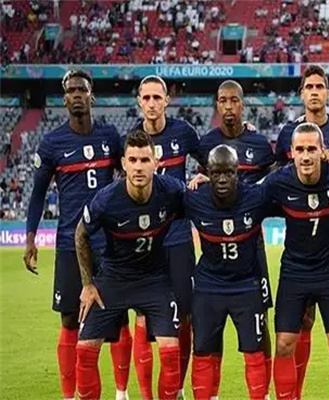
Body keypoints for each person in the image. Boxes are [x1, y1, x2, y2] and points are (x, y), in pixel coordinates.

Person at [24, 70, 132, 400]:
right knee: (70, 319)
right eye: (71, 90)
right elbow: (38, 194)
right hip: (70, 243)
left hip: (109, 243)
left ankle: (122, 393)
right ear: (64, 99)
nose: (76, 95)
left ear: (91, 96)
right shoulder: (52, 143)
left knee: (119, 319)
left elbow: (132, 170)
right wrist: (30, 238)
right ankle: (69, 396)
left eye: (81, 90)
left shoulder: (110, 136)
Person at [75, 129, 184, 400]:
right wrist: (88, 284)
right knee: (85, 351)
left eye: (145, 160)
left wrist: (200, 183)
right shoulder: (106, 199)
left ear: (156, 162)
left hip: (155, 280)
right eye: (133, 160)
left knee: (171, 352)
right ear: (123, 163)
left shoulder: (172, 191)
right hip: (114, 278)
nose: (138, 167)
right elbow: (81, 234)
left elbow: (202, 205)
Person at [275, 65, 329, 398]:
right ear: (301, 94)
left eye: (319, 86)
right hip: (299, 238)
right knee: (302, 322)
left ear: (328, 93)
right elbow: (276, 177)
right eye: (308, 87)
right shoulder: (288, 133)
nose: (314, 92)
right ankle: (294, 390)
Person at [197, 80, 276, 399]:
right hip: (215, 244)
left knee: (261, 320)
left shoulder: (259, 143)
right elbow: (202, 181)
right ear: (217, 105)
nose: (228, 106)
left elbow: (275, 178)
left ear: (242, 104)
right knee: (211, 325)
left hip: (251, 244)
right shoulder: (206, 143)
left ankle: (264, 392)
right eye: (223, 101)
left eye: (234, 100)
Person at [129, 75, 201, 400]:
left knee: (184, 316)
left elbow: (212, 159)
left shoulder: (183, 132)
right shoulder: (131, 138)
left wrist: (203, 176)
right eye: (146, 97)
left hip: (179, 238)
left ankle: (178, 388)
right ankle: (146, 395)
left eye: (157, 97)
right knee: (143, 317)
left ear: (166, 101)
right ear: (139, 101)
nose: (152, 103)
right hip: (144, 241)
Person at [185, 145, 272, 400]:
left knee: (254, 351)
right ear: (206, 173)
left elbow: (285, 179)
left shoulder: (256, 197)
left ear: (238, 172)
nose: (222, 179)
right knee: (202, 350)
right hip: (208, 286)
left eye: (228, 173)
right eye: (216, 173)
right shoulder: (193, 198)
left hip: (246, 285)